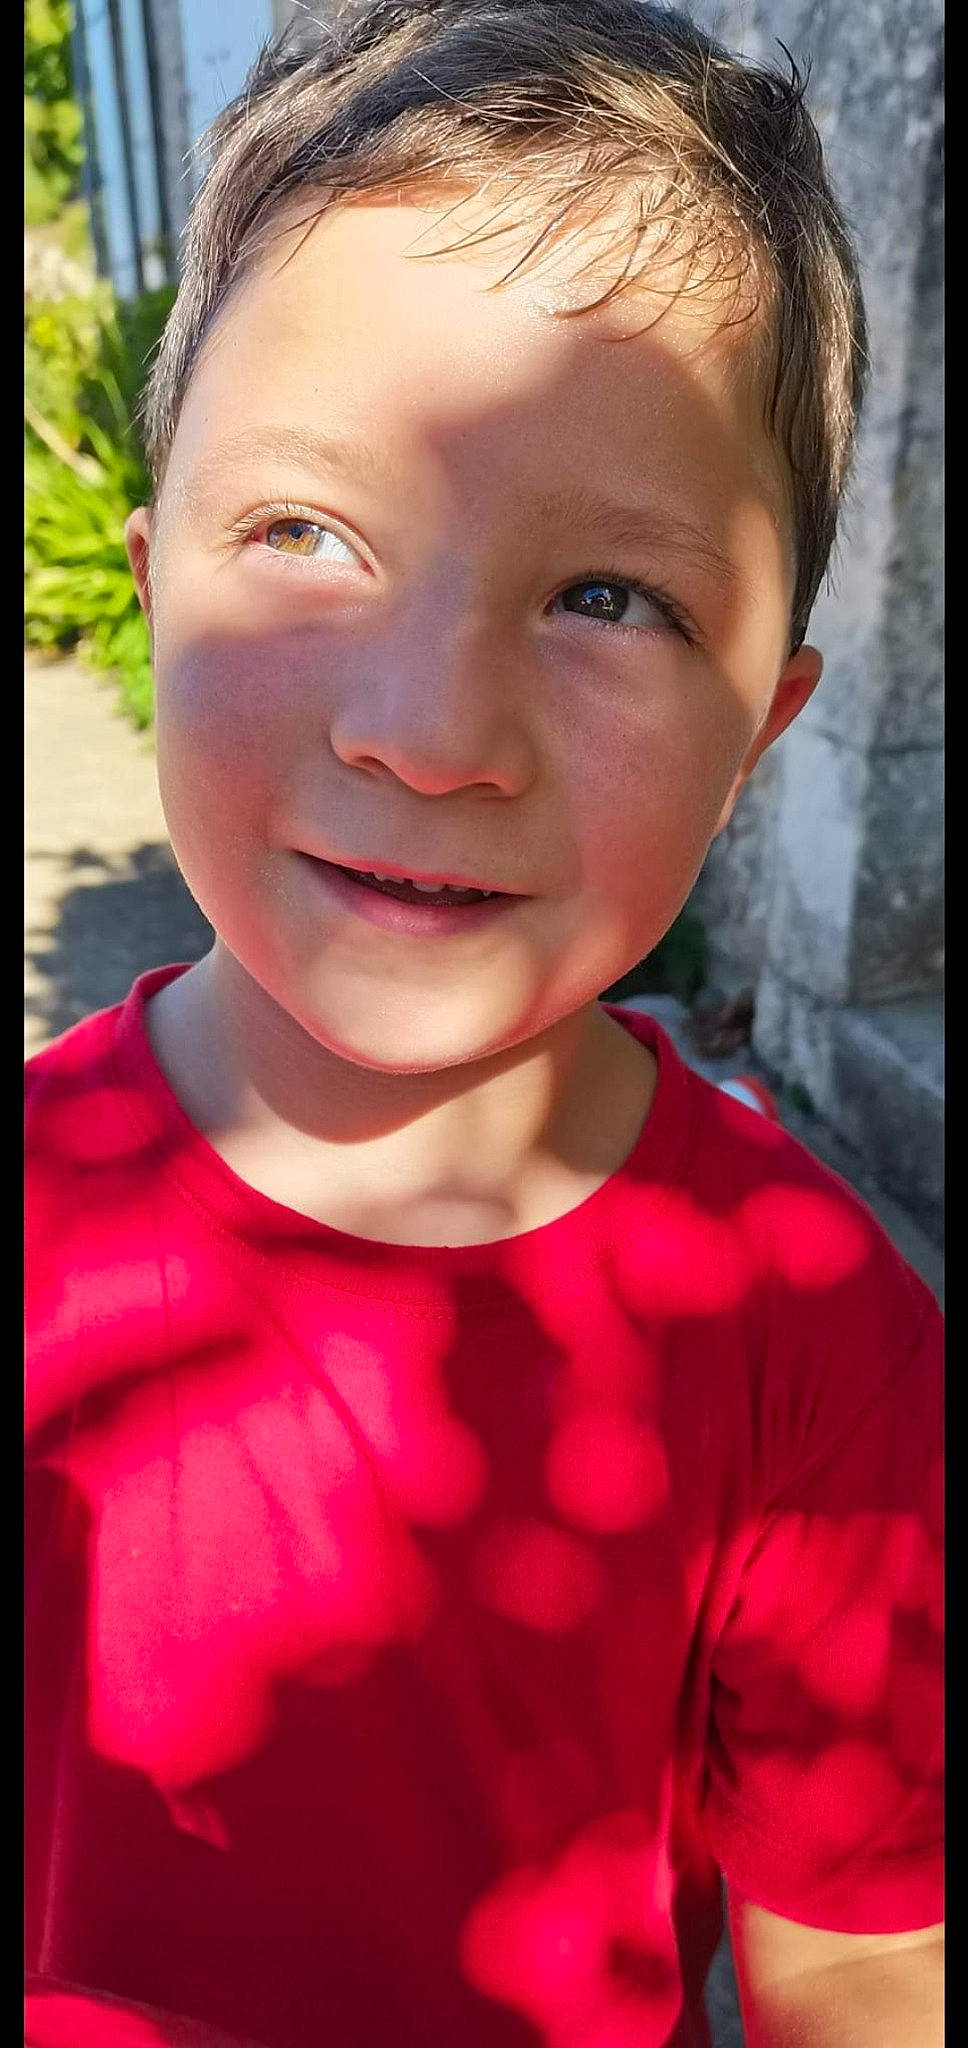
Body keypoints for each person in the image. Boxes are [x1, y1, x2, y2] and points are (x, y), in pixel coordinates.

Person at [24, 5, 943, 2044]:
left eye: (607, 596)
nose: (429, 735)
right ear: (149, 570)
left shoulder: (818, 1339)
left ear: (757, 733)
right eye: (304, 532)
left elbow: (861, 1957)